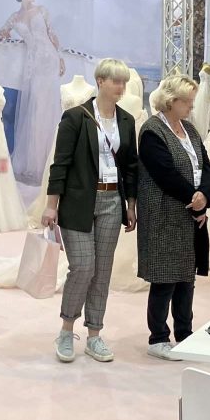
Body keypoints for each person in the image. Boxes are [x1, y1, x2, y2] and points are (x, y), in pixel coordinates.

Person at [41, 58, 139, 364]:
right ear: (100, 82)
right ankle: (66, 329)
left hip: (112, 201)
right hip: (78, 201)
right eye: (116, 81)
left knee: (103, 270)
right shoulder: (75, 117)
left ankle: (95, 334)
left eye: (124, 82)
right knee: (83, 266)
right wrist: (51, 205)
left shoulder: (126, 121)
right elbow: (60, 164)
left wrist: (131, 203)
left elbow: (131, 166)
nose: (121, 87)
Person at [137, 74, 210, 361]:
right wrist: (194, 200)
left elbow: (206, 166)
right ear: (171, 101)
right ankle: (158, 337)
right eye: (187, 102)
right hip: (163, 215)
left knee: (185, 277)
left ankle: (184, 333)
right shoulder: (152, 131)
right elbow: (164, 174)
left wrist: (204, 194)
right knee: (164, 278)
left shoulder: (190, 129)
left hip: (189, 214)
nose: (191, 107)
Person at [0, 0, 65, 184]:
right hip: (33, 64)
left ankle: (48, 160)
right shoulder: (15, 17)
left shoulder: (42, 10)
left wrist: (60, 57)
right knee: (35, 109)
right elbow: (1, 33)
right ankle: (35, 161)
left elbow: (52, 34)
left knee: (46, 107)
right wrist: (3, 35)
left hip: (49, 61)